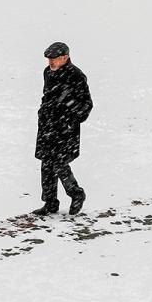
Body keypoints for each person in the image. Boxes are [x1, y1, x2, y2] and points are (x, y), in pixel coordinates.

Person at [33, 42, 93, 216]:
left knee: (59, 164)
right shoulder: (47, 73)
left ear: (65, 57)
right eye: (49, 59)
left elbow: (86, 105)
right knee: (46, 165)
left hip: (65, 129)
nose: (51, 62)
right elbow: (47, 96)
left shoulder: (76, 76)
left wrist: (69, 115)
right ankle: (50, 203)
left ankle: (77, 194)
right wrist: (43, 112)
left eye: (54, 59)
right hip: (47, 126)